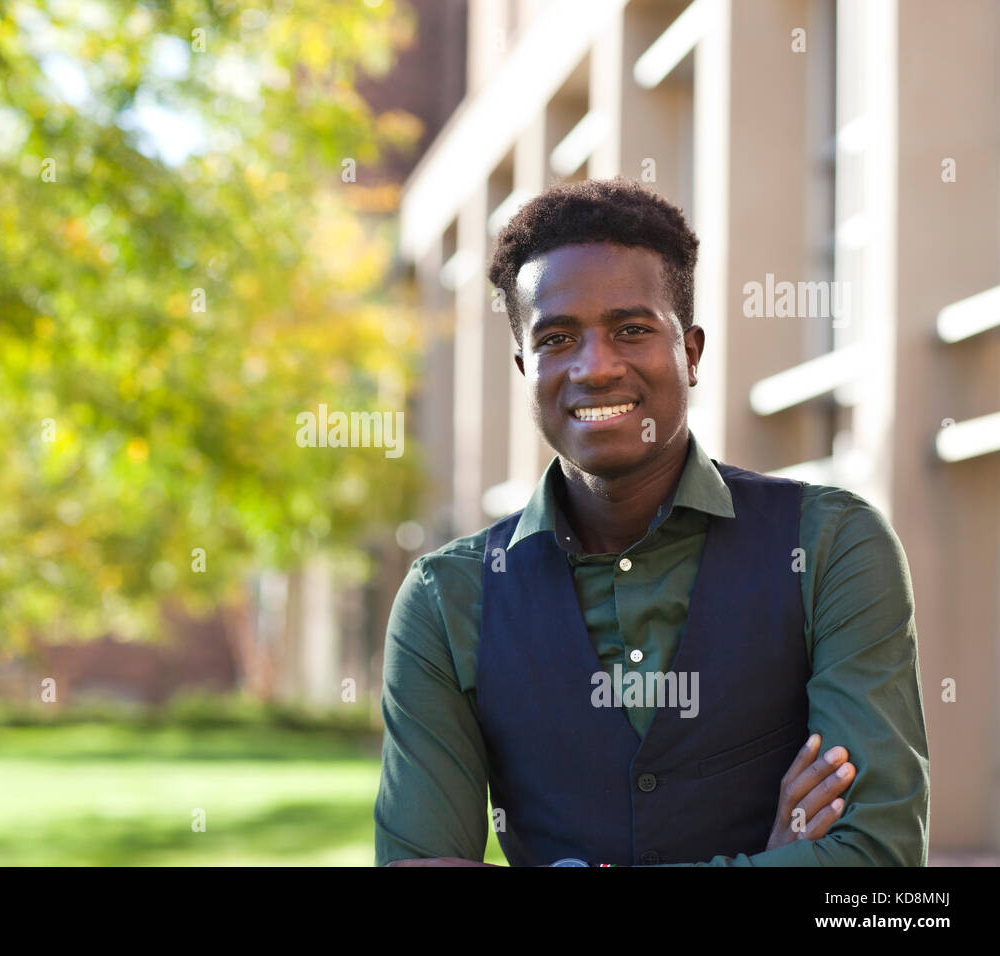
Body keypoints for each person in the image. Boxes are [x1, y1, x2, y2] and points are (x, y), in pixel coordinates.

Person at [374, 177, 930, 867]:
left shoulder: (832, 547)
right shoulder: (445, 598)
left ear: (690, 353)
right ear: (525, 368)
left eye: (631, 330)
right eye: (557, 338)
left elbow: (877, 873)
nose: (595, 367)